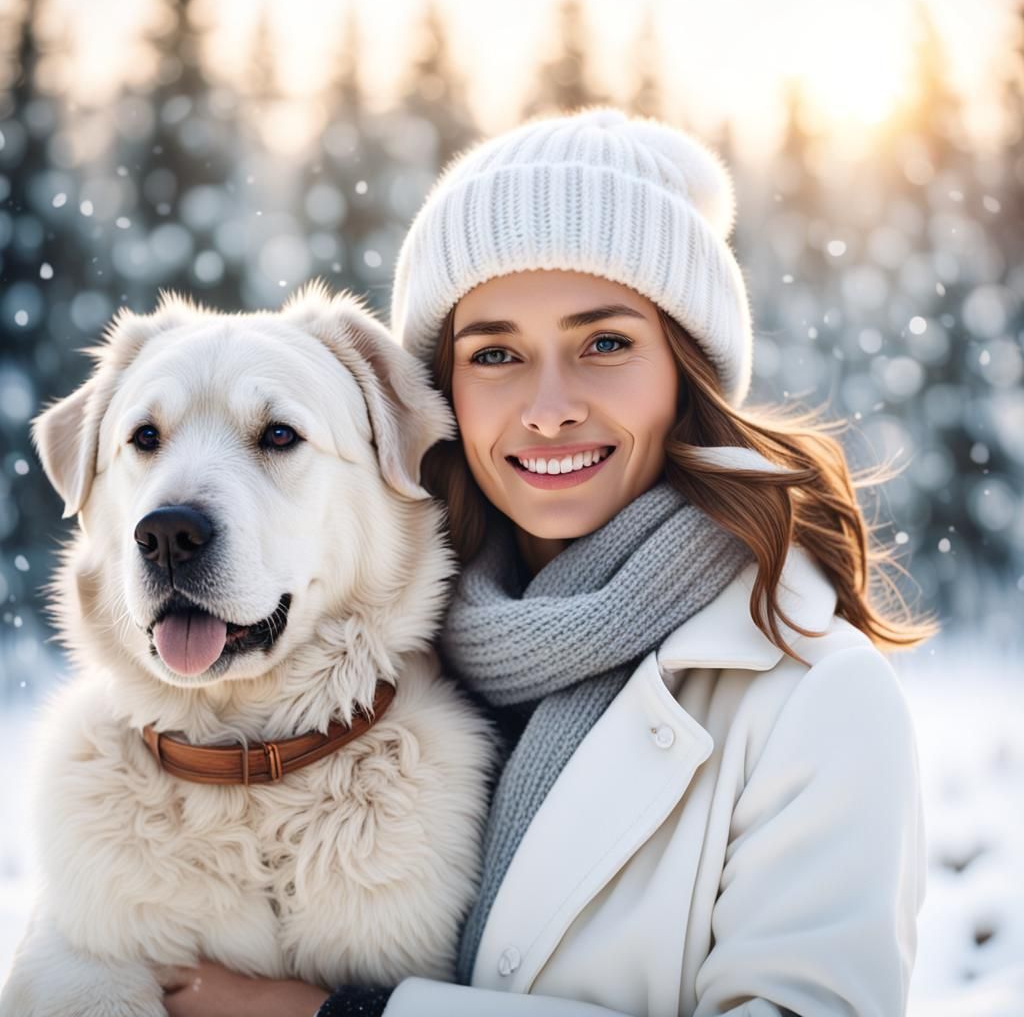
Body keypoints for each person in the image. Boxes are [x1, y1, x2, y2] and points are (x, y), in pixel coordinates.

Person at [163, 107, 933, 1017]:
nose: (548, 406)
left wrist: (339, 1016)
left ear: (685, 372)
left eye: (604, 343)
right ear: (439, 395)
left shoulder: (816, 697)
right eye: (495, 353)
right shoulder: (362, 662)